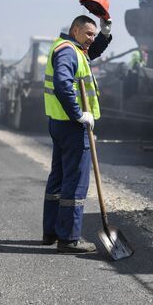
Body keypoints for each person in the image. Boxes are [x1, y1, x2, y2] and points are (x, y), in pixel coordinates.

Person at [42, 15, 112, 253]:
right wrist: (79, 114)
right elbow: (63, 84)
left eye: (94, 35)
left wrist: (105, 33)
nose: (91, 39)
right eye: (88, 34)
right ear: (74, 30)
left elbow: (94, 51)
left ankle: (50, 232)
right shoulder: (68, 52)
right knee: (75, 182)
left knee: (59, 178)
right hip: (72, 127)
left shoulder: (73, 48)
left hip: (59, 125)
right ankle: (69, 238)